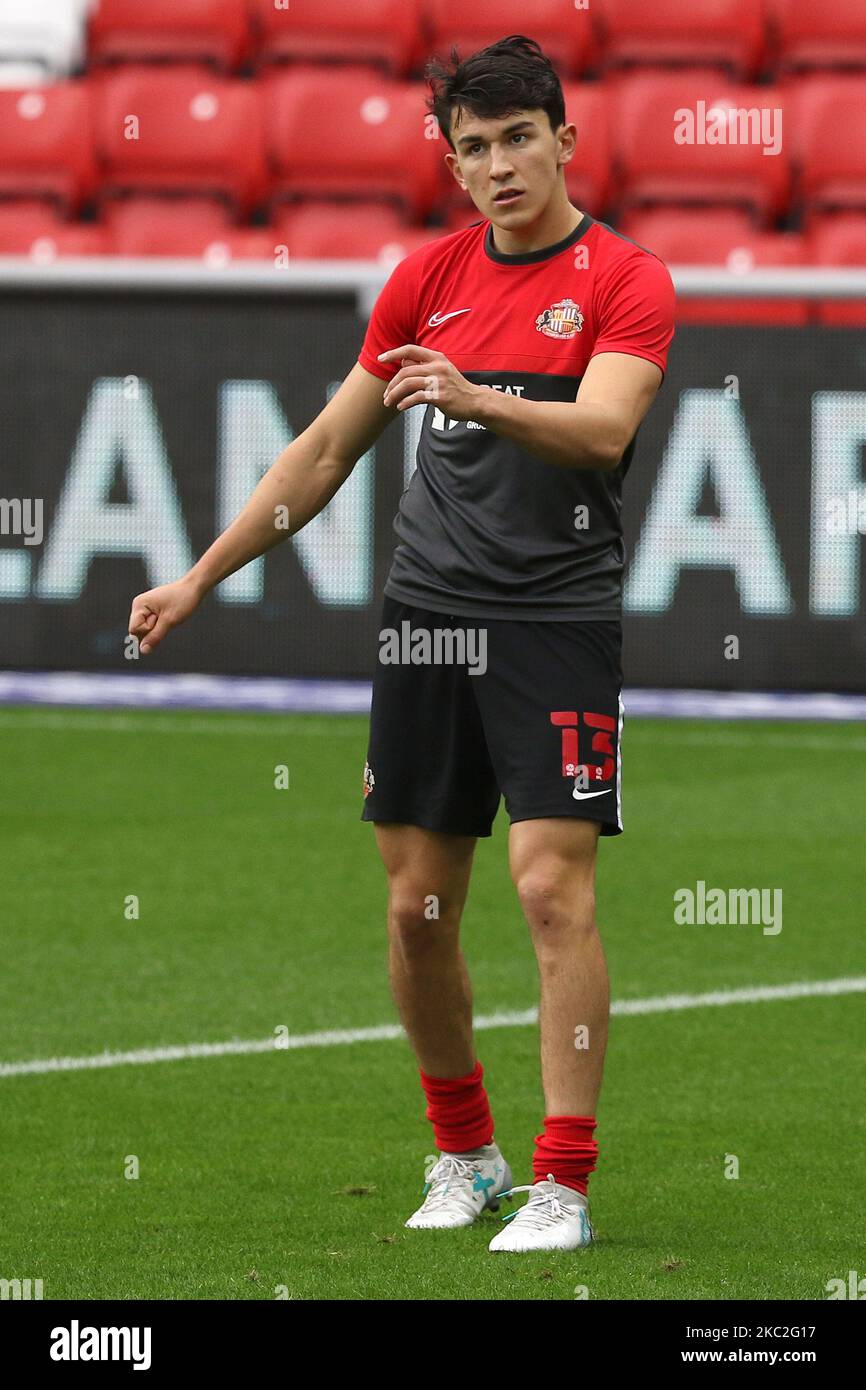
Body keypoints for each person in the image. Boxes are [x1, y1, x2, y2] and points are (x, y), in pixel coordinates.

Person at [127, 34, 675, 1254]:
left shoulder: (628, 278)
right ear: (453, 162)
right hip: (426, 619)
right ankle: (463, 1153)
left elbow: (599, 430)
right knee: (417, 908)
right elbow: (323, 453)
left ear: (563, 141)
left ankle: (562, 1184)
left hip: (554, 624)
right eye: (471, 148)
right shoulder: (423, 278)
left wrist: (479, 398)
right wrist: (200, 576)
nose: (496, 165)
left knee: (549, 888)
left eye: (516, 138)